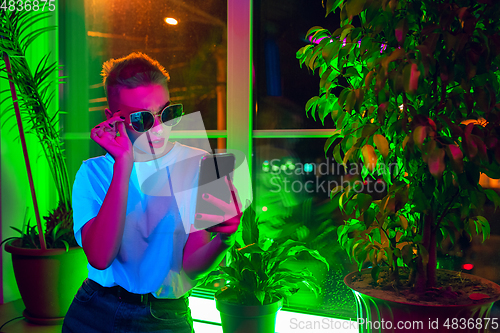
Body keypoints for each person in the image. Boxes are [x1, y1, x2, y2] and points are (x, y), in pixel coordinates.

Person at [62, 52, 242, 333]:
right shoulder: (92, 173)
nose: (159, 129)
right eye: (143, 119)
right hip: (94, 312)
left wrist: (225, 239)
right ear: (113, 118)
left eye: (168, 113)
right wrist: (124, 163)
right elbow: (99, 257)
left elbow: (191, 266)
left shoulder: (200, 165)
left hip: (165, 317)